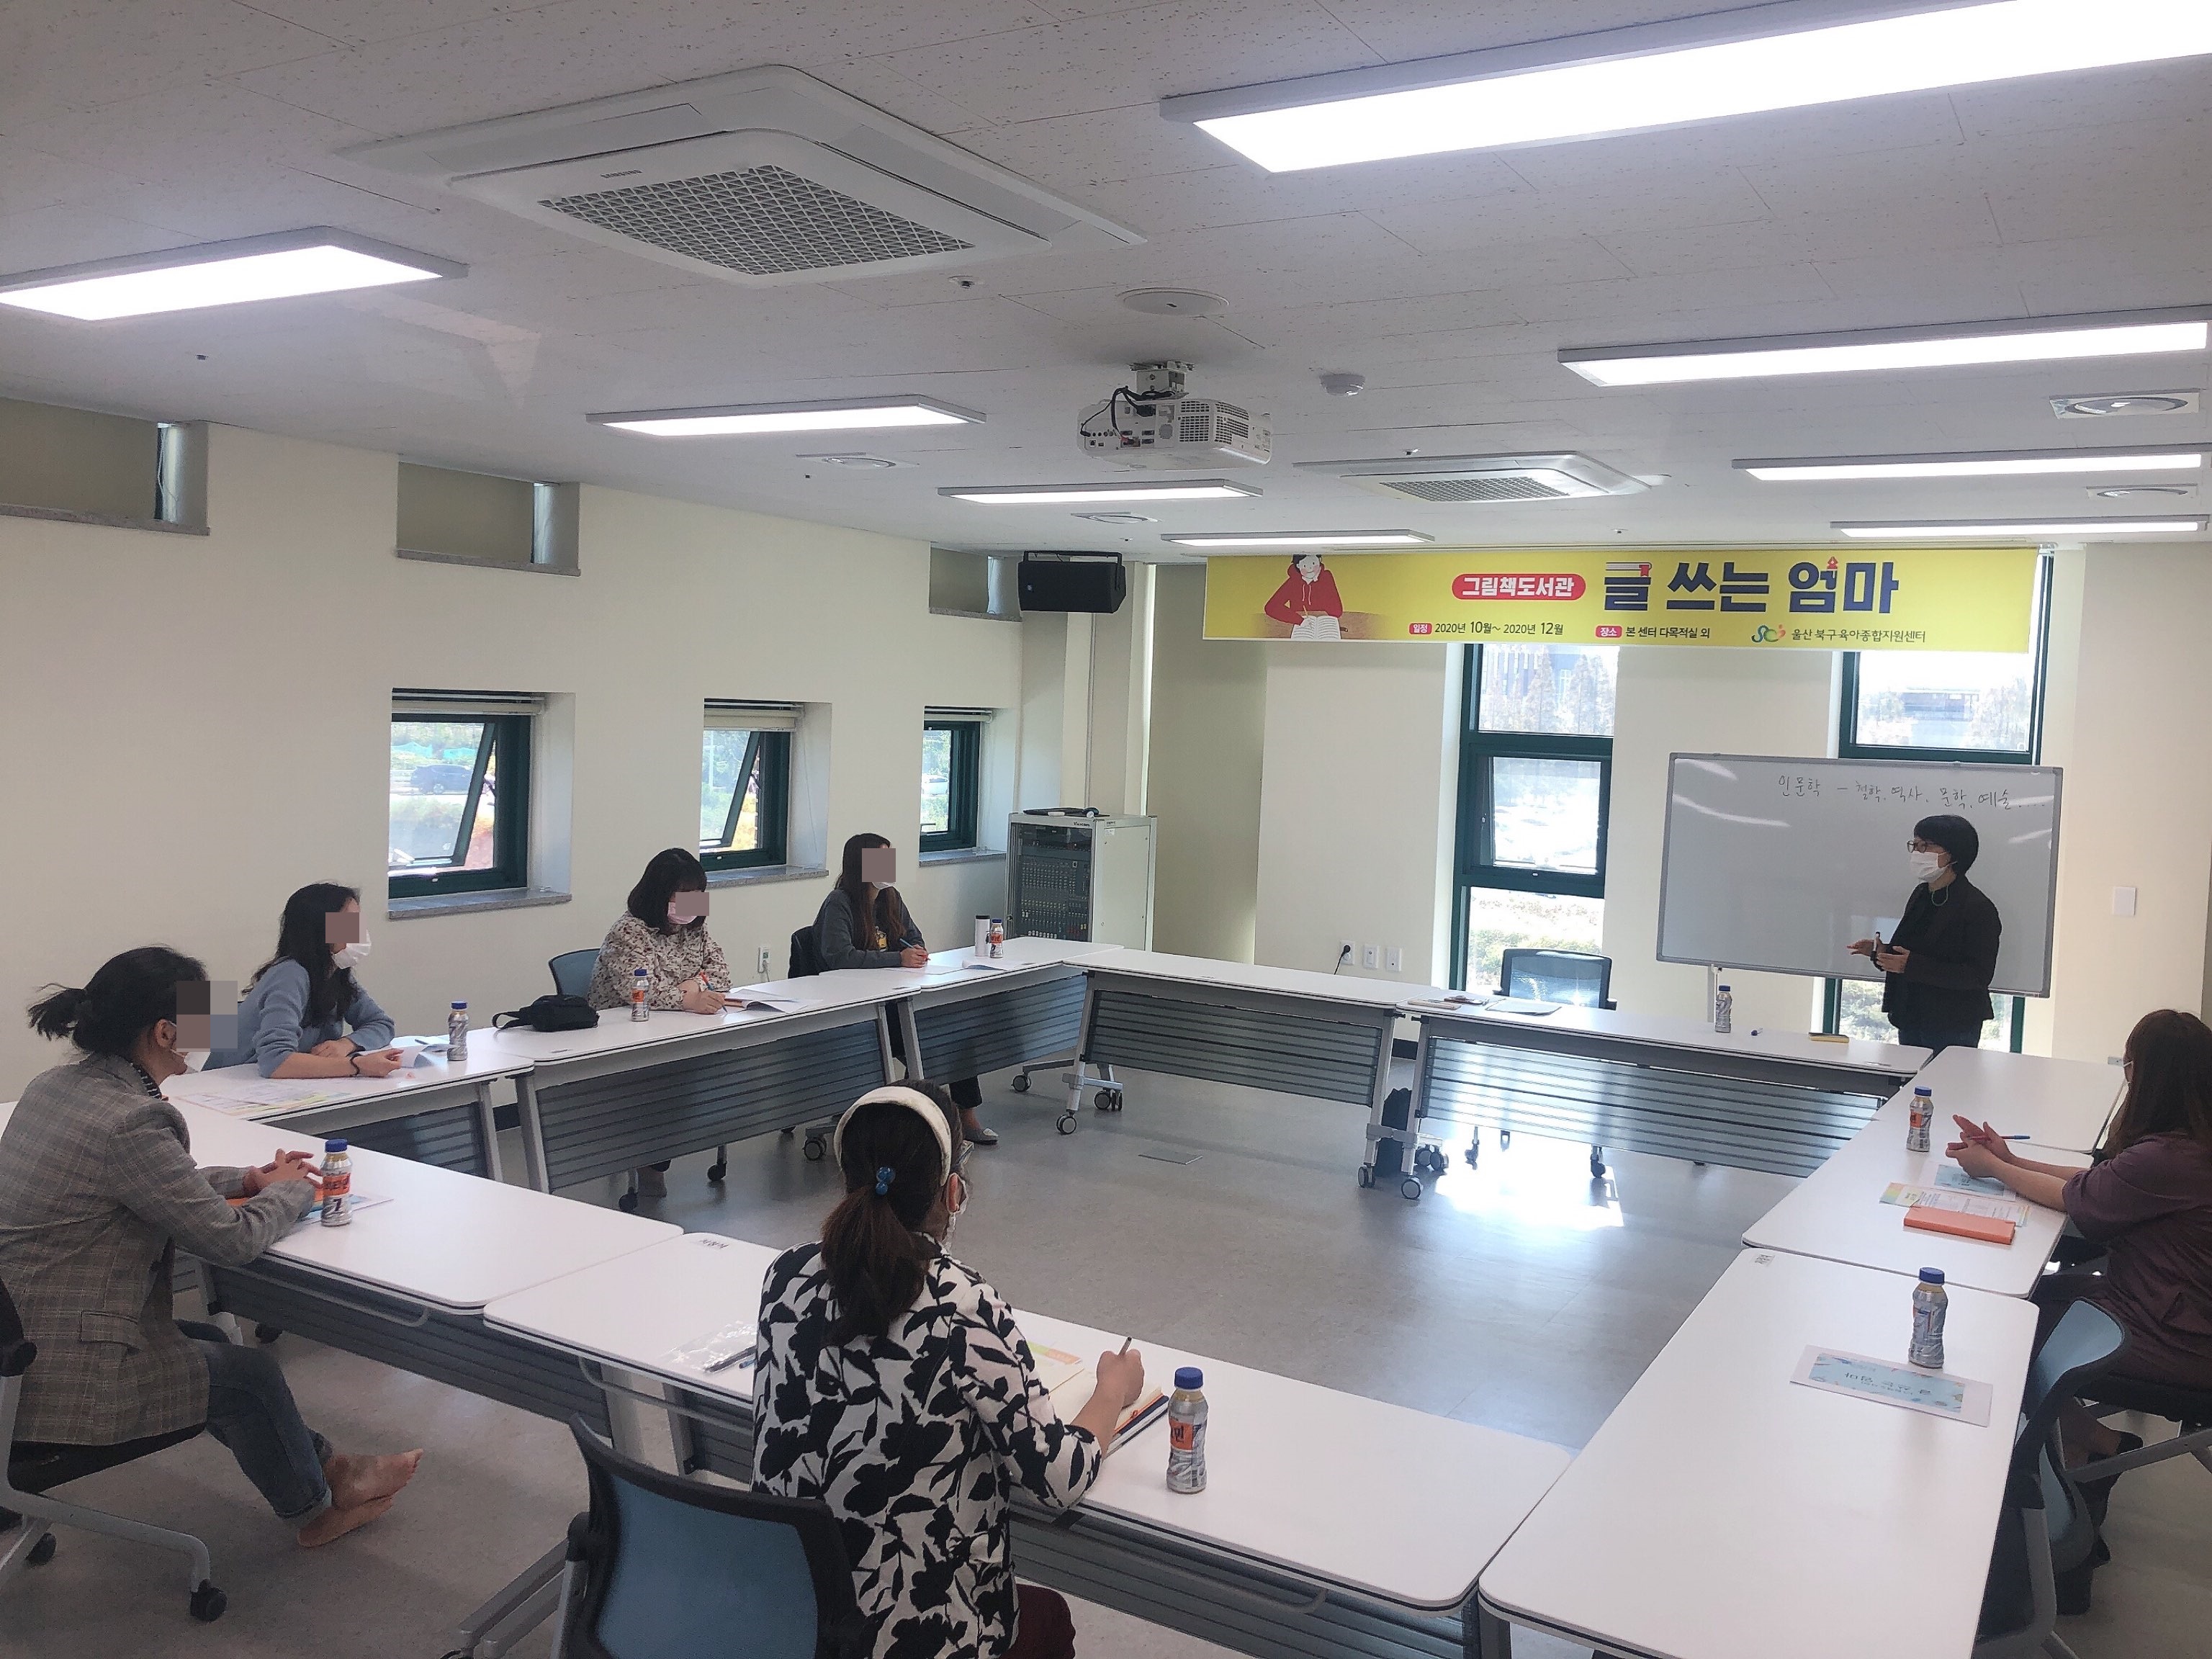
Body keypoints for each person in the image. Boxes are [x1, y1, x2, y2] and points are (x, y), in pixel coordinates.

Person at [0, 946, 421, 1546]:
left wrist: (249, 1179)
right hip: (59, 1372)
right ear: (165, 1032)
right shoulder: (133, 1119)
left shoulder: (56, 1087)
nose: (217, 1029)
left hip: (23, 1334)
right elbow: (230, 1240)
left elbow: (147, 1181)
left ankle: (333, 1469)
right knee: (250, 1375)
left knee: (209, 1341)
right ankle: (315, 1510)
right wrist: (294, 1192)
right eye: (205, 1015)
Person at [753, 1083, 1146, 1659]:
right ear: (953, 1191)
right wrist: (1112, 1391)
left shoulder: (785, 1276)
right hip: (917, 1636)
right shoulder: (958, 1303)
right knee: (1049, 1619)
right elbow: (1058, 1480)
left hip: (795, 1622)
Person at [1949, 1009, 2212, 1467]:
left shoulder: (2169, 1158)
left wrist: (1993, 1168)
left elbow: (2077, 1197)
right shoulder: (2190, 1144)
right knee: (2021, 1304)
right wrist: (2011, 1160)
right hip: (2165, 1307)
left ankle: (2097, 1446)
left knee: (2003, 1327)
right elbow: (2099, 1181)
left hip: (2175, 1338)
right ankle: (2086, 1446)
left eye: (2130, 1066)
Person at [813, 832, 997, 1145]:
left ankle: (963, 1115)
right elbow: (840, 956)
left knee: (956, 1031)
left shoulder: (891, 898)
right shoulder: (839, 903)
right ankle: (915, 1117)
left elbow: (914, 936)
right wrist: (897, 959)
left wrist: (917, 950)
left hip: (897, 996)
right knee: (927, 1038)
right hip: (861, 1007)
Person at [585, 848, 732, 1197]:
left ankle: (656, 1152)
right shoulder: (629, 931)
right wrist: (688, 998)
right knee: (661, 1082)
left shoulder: (694, 926)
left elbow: (722, 973)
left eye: (698, 894)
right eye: (684, 894)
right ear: (659, 894)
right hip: (624, 1035)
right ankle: (648, 1160)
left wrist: (693, 987)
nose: (693, 902)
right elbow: (639, 989)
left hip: (676, 1028)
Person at [210, 883, 405, 1079]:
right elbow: (275, 1061)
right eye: (350, 924)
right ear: (319, 930)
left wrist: (346, 1044)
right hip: (228, 1081)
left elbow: (382, 1024)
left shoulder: (336, 973)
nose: (360, 933)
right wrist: (357, 1065)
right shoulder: (289, 974)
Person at [1848, 813, 2001, 1054]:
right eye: (1915, 845)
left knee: (1945, 1079)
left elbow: (1977, 975)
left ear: (1953, 854)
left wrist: (1910, 966)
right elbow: (1912, 950)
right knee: (1910, 1077)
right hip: (1911, 1013)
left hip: (1953, 1023)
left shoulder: (1978, 907)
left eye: (1926, 846)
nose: (1918, 853)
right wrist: (1880, 952)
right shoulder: (1921, 894)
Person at [1263, 553, 1345, 640]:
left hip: (1325, 628)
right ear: (1298, 566)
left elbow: (1337, 612)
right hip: (1302, 631)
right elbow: (1271, 607)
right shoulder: (1293, 582)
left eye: (1314, 564)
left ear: (1319, 561)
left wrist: (1322, 584)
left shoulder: (1326, 578)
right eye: (1305, 566)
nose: (1310, 569)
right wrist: (1299, 620)